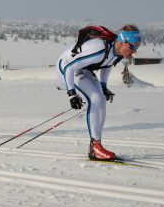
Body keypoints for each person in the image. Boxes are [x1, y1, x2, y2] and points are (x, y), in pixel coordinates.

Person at [56, 24, 141, 161]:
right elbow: (70, 68)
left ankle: (96, 145)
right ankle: (95, 147)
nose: (135, 51)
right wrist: (72, 93)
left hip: (83, 68)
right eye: (132, 46)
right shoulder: (99, 48)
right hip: (66, 67)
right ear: (122, 42)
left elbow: (107, 64)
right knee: (95, 98)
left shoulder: (117, 52)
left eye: (137, 47)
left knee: (100, 98)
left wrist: (103, 86)